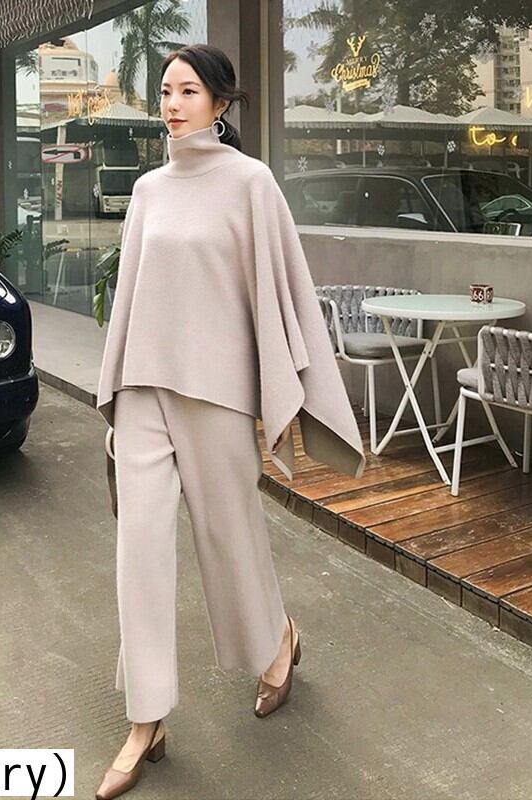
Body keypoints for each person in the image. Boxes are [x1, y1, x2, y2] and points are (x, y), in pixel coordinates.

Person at [94, 43, 365, 800]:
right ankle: (145, 720)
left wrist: (274, 395)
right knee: (139, 550)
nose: (173, 104)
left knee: (229, 538)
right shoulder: (147, 190)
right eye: (165, 91)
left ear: (220, 102)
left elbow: (280, 290)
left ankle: (278, 643)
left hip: (216, 393)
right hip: (145, 389)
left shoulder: (250, 183)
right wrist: (113, 387)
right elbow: (131, 293)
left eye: (188, 91)